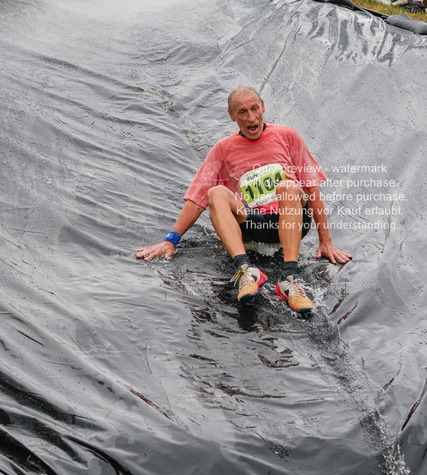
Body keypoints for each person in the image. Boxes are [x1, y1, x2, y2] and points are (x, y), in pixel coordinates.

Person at [136, 86, 352, 314]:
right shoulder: (223, 149)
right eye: (242, 112)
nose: (251, 118)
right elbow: (197, 199)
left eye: (254, 109)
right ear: (232, 116)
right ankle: (246, 272)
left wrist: (326, 241)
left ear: (263, 107)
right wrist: (171, 240)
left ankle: (289, 279)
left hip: (292, 220)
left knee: (287, 186)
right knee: (215, 192)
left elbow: (311, 187)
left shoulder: (287, 136)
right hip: (255, 223)